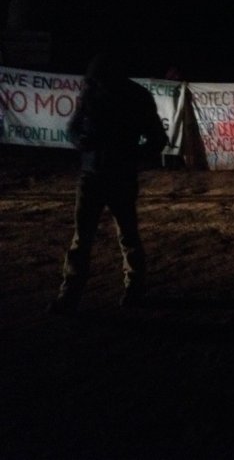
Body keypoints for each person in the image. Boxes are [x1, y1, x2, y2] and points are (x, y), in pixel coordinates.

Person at [48, 52, 169, 314]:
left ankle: (128, 290)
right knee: (93, 238)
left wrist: (128, 155)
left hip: (116, 176)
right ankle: (73, 295)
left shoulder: (133, 97)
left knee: (122, 235)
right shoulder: (97, 91)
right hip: (94, 176)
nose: (97, 84)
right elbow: (72, 127)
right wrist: (79, 141)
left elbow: (157, 139)